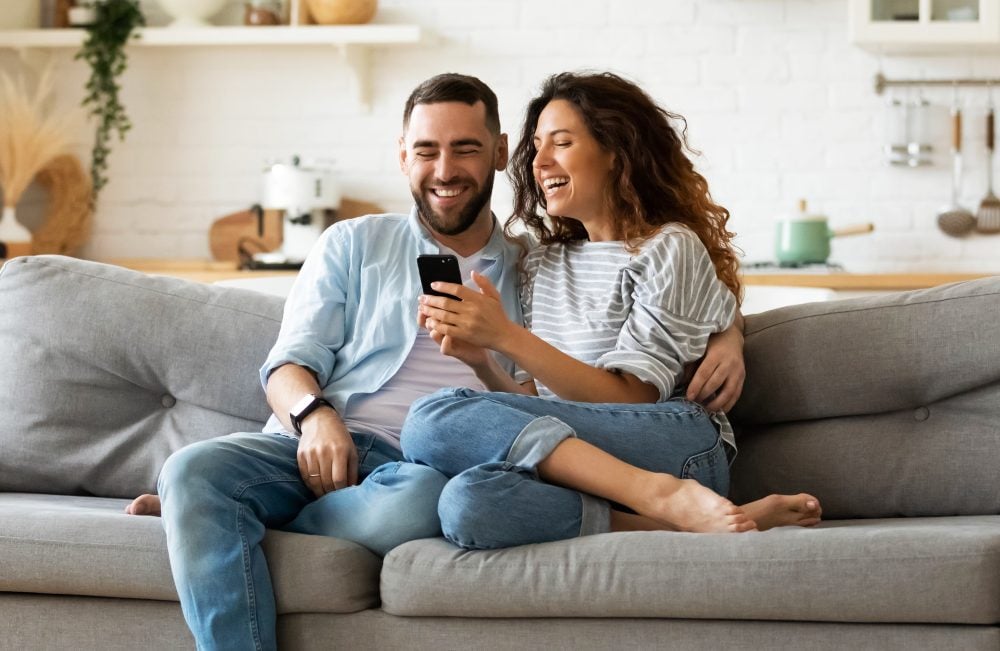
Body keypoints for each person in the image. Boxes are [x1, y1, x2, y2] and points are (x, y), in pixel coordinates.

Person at [124, 72, 747, 650]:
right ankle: (208, 510)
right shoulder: (353, 243)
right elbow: (287, 366)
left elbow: (672, 296)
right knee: (191, 469)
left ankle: (221, 520)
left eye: (465, 149)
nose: (444, 170)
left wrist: (729, 336)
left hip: (419, 469)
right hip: (317, 444)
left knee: (424, 495)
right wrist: (315, 417)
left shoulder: (531, 263)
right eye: (426, 151)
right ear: (403, 156)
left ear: (499, 152)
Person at [400, 72, 822, 550]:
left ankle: (663, 493)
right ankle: (683, 521)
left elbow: (633, 398)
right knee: (467, 503)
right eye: (536, 146)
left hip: (674, 446)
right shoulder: (541, 262)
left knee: (430, 418)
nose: (539, 161)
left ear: (617, 151)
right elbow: (537, 408)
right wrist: (483, 362)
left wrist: (506, 337)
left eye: (561, 143)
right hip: (586, 457)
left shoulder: (668, 247)